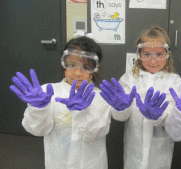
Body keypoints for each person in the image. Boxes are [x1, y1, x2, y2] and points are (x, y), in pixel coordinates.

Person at [9, 34, 111, 169]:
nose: (77, 73)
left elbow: (95, 134)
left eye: (86, 67)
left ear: (95, 69)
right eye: (72, 65)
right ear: (64, 64)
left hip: (90, 163)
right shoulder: (47, 93)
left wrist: (83, 112)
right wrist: (38, 109)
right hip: (58, 162)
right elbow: (37, 130)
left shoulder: (100, 97)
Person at [100, 26, 181, 169]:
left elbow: (174, 119)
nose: (153, 60)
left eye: (159, 54)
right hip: (134, 149)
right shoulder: (129, 79)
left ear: (168, 54)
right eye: (147, 54)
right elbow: (120, 116)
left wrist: (159, 115)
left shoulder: (174, 81)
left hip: (160, 151)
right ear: (139, 54)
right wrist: (120, 109)